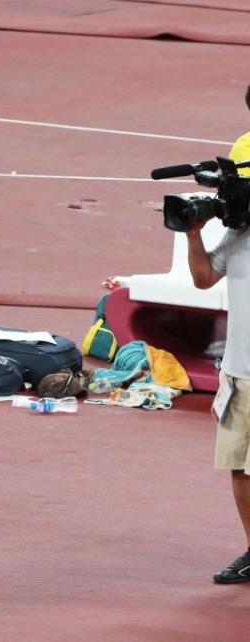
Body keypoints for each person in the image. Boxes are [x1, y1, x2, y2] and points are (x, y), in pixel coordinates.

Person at [189, 90, 250, 585]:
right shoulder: (241, 233)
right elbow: (204, 279)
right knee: (240, 467)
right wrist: (193, 231)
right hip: (240, 368)